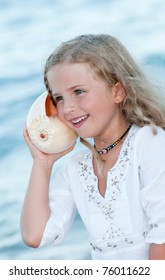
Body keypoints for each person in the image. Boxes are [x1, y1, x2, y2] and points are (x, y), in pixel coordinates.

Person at [21, 34, 165, 260]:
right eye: (58, 98)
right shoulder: (76, 168)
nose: (67, 108)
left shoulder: (148, 142)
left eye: (78, 92)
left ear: (118, 91)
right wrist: (42, 164)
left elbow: (162, 236)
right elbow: (35, 236)